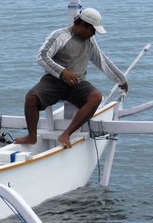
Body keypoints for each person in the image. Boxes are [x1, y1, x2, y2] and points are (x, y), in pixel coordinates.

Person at [15, 8, 129, 148]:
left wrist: (121, 79)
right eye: (93, 30)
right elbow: (42, 56)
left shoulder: (90, 41)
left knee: (96, 97)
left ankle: (66, 134)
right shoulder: (60, 36)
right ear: (83, 25)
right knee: (31, 98)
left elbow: (102, 60)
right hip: (54, 81)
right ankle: (31, 136)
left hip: (77, 83)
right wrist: (62, 72)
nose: (94, 34)